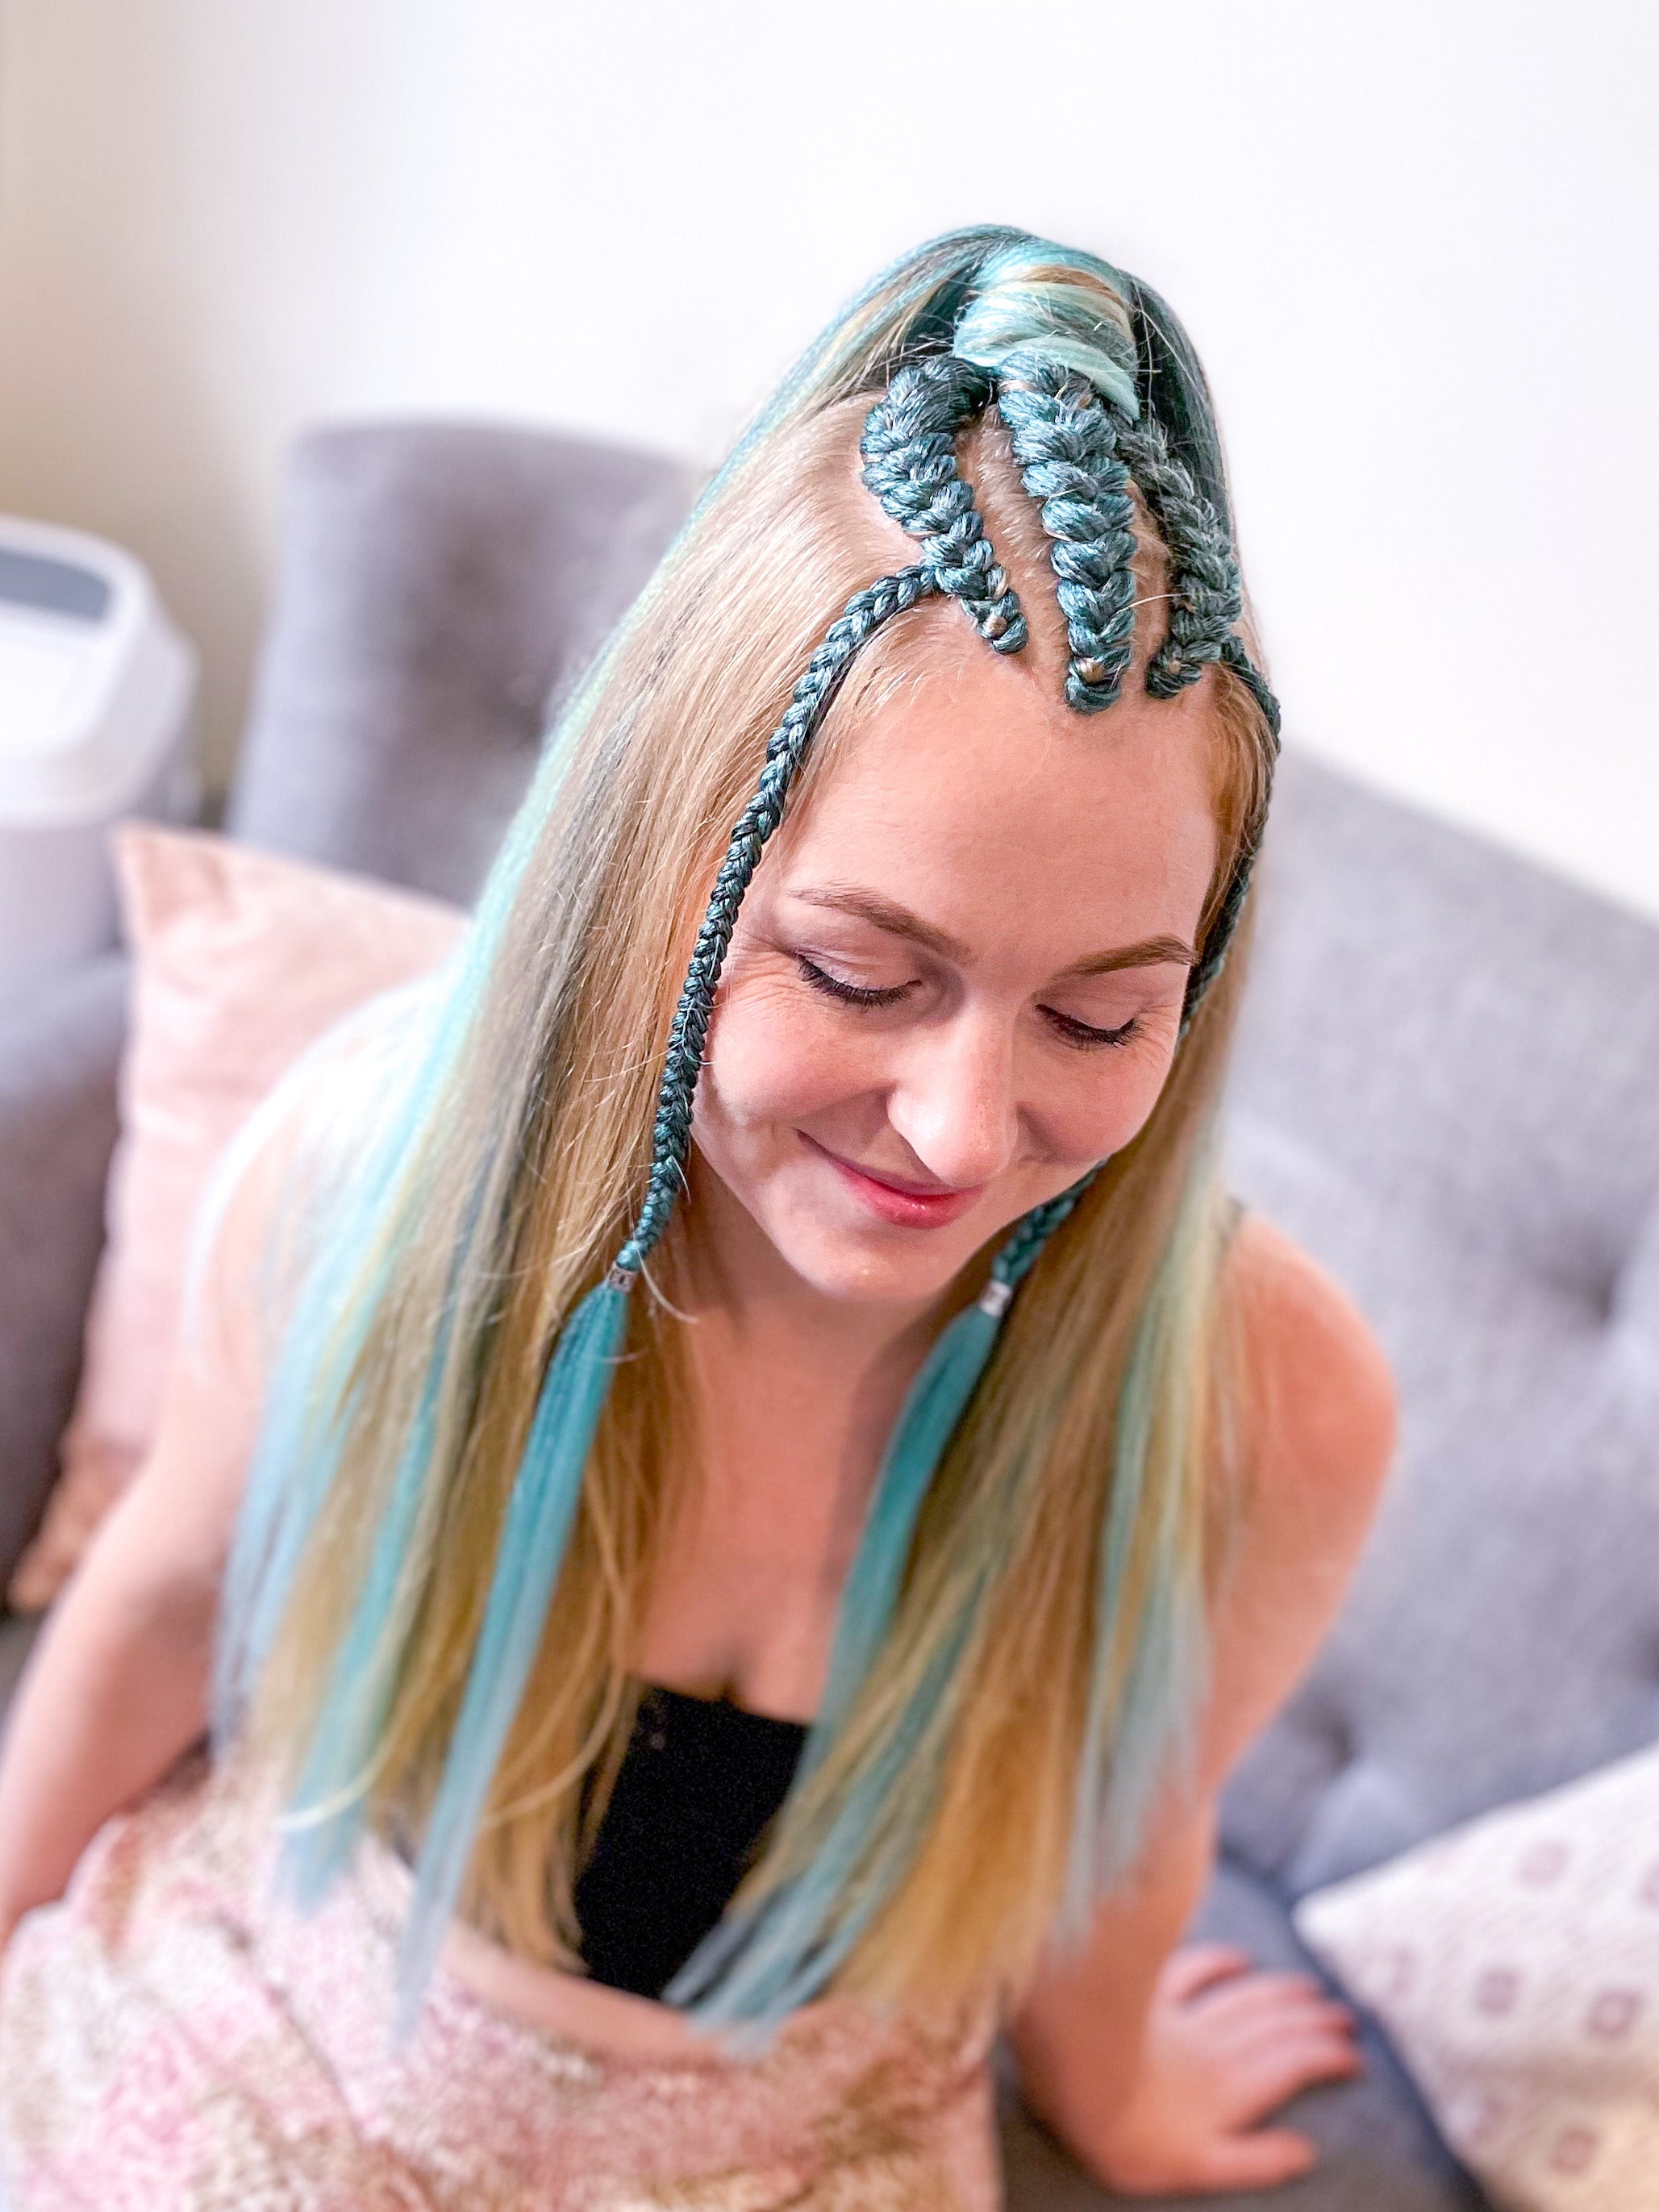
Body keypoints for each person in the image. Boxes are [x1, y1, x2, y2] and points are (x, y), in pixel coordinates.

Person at [0, 227, 1394, 2206]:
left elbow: (1129, 1823)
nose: (963, 1123)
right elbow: (149, 1603)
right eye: (860, 972)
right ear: (655, 873)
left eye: (1101, 1010)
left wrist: (1120, 2091)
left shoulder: (1271, 1402)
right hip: (293, 2058)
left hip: (796, 2144)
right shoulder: (362, 1181)